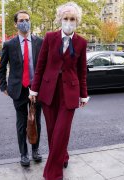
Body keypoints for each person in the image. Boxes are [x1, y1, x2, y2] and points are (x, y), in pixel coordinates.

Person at [29, 2, 89, 179]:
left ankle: (52, 174)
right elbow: (40, 65)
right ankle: (63, 155)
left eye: (72, 19)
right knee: (52, 130)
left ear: (76, 21)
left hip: (69, 93)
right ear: (60, 19)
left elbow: (82, 71)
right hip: (49, 91)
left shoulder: (81, 42)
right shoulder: (50, 37)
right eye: (66, 18)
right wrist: (34, 90)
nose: (69, 22)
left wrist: (83, 94)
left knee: (61, 131)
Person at [0, 10, 43, 167]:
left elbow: (44, 66)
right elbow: (2, 67)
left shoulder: (40, 42)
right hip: (18, 89)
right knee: (22, 122)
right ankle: (23, 154)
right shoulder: (9, 44)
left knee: (36, 120)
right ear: (16, 23)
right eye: (22, 20)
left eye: (27, 19)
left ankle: (35, 150)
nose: (25, 22)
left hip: (36, 88)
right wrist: (3, 86)